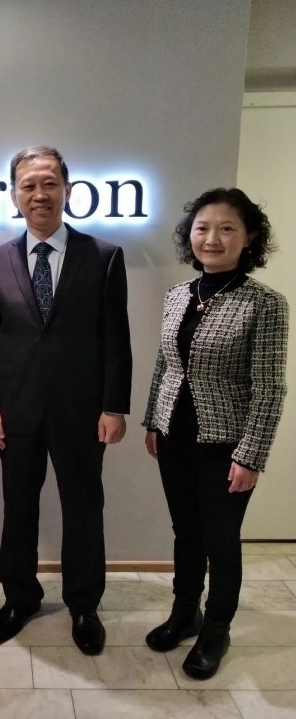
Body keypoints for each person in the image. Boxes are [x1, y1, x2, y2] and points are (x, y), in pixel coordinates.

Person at [0, 146, 132, 655]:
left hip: (83, 412)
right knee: (18, 507)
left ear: (67, 189)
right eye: (28, 185)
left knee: (83, 507)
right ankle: (19, 598)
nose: (39, 194)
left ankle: (84, 605)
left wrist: (114, 406)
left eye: (49, 183)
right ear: (14, 195)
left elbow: (116, 338)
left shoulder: (103, 256)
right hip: (15, 410)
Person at [142, 187, 289, 679]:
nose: (213, 238)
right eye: (202, 228)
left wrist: (252, 456)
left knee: (221, 540)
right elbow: (165, 365)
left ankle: (216, 630)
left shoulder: (265, 303)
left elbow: (269, 388)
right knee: (185, 531)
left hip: (227, 445)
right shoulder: (177, 296)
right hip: (174, 436)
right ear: (190, 236)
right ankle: (185, 613)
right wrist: (153, 420)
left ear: (249, 238)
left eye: (227, 228)